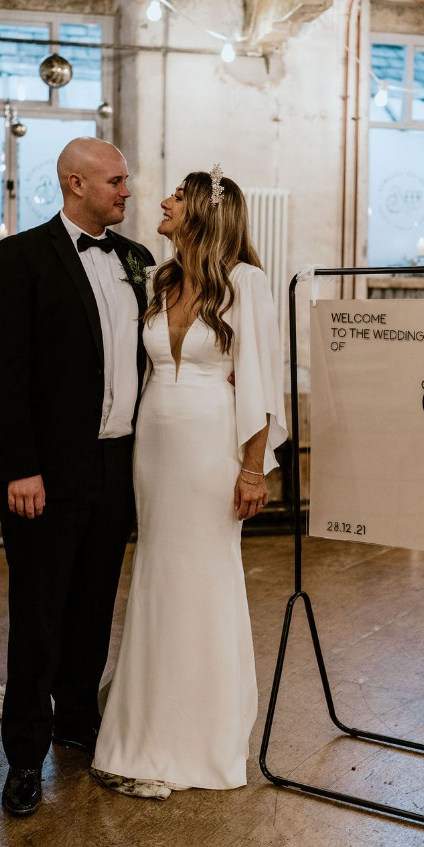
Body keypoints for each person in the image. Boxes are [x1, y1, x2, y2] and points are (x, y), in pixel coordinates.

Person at [91, 165, 287, 799]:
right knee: (156, 574)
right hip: (155, 445)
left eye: (177, 195)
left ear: (204, 210)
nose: (164, 201)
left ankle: (201, 734)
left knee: (205, 577)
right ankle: (143, 724)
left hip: (211, 446)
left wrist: (253, 468)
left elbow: (259, 379)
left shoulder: (246, 283)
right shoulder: (158, 278)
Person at [0, 137, 154, 816]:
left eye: (126, 180)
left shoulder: (137, 260)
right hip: (45, 472)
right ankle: (25, 755)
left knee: (94, 602)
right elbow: (3, 372)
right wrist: (21, 466)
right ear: (75, 184)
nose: (127, 191)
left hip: (116, 463)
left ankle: (78, 720)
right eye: (116, 181)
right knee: (39, 612)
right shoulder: (20, 258)